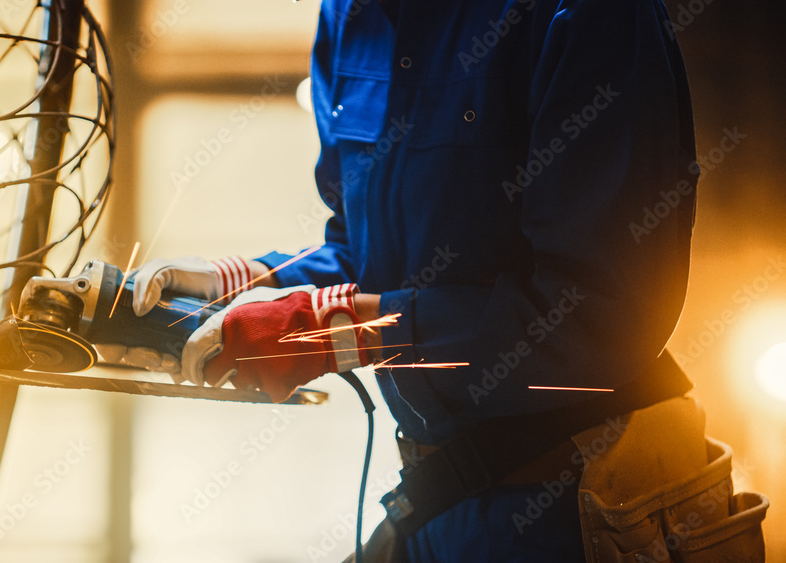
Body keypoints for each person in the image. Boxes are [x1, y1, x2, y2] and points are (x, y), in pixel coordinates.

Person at [123, 0, 770, 561]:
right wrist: (240, 282)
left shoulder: (590, 15)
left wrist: (336, 330)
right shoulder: (351, 15)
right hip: (440, 502)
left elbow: (597, 316)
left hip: (587, 512)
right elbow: (364, 254)